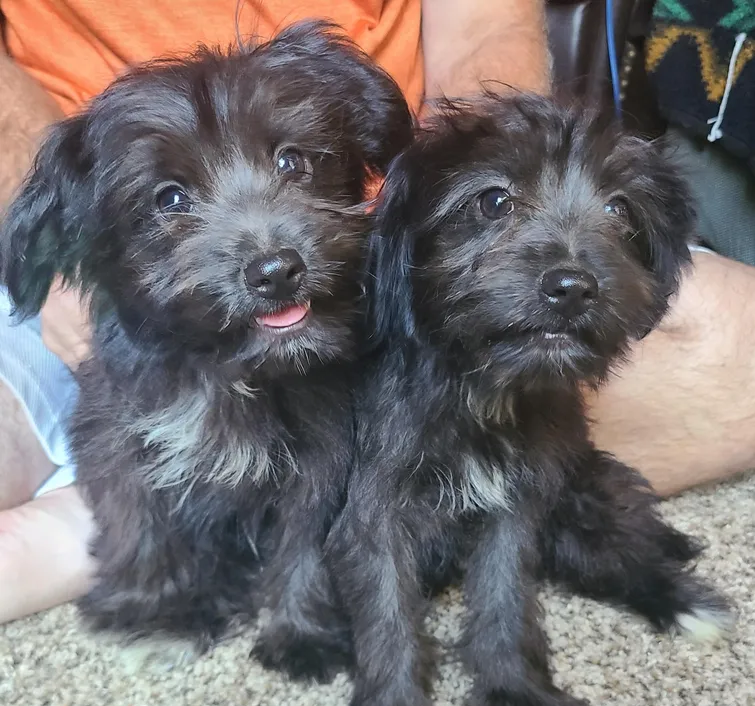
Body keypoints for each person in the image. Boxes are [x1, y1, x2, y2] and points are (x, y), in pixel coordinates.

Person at [0, 0, 752, 624]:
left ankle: (144, 508)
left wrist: (490, 216)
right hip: (71, 239)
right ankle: (151, 488)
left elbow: (487, 31)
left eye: (291, 161)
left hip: (377, 242)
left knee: (734, 338)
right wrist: (71, 248)